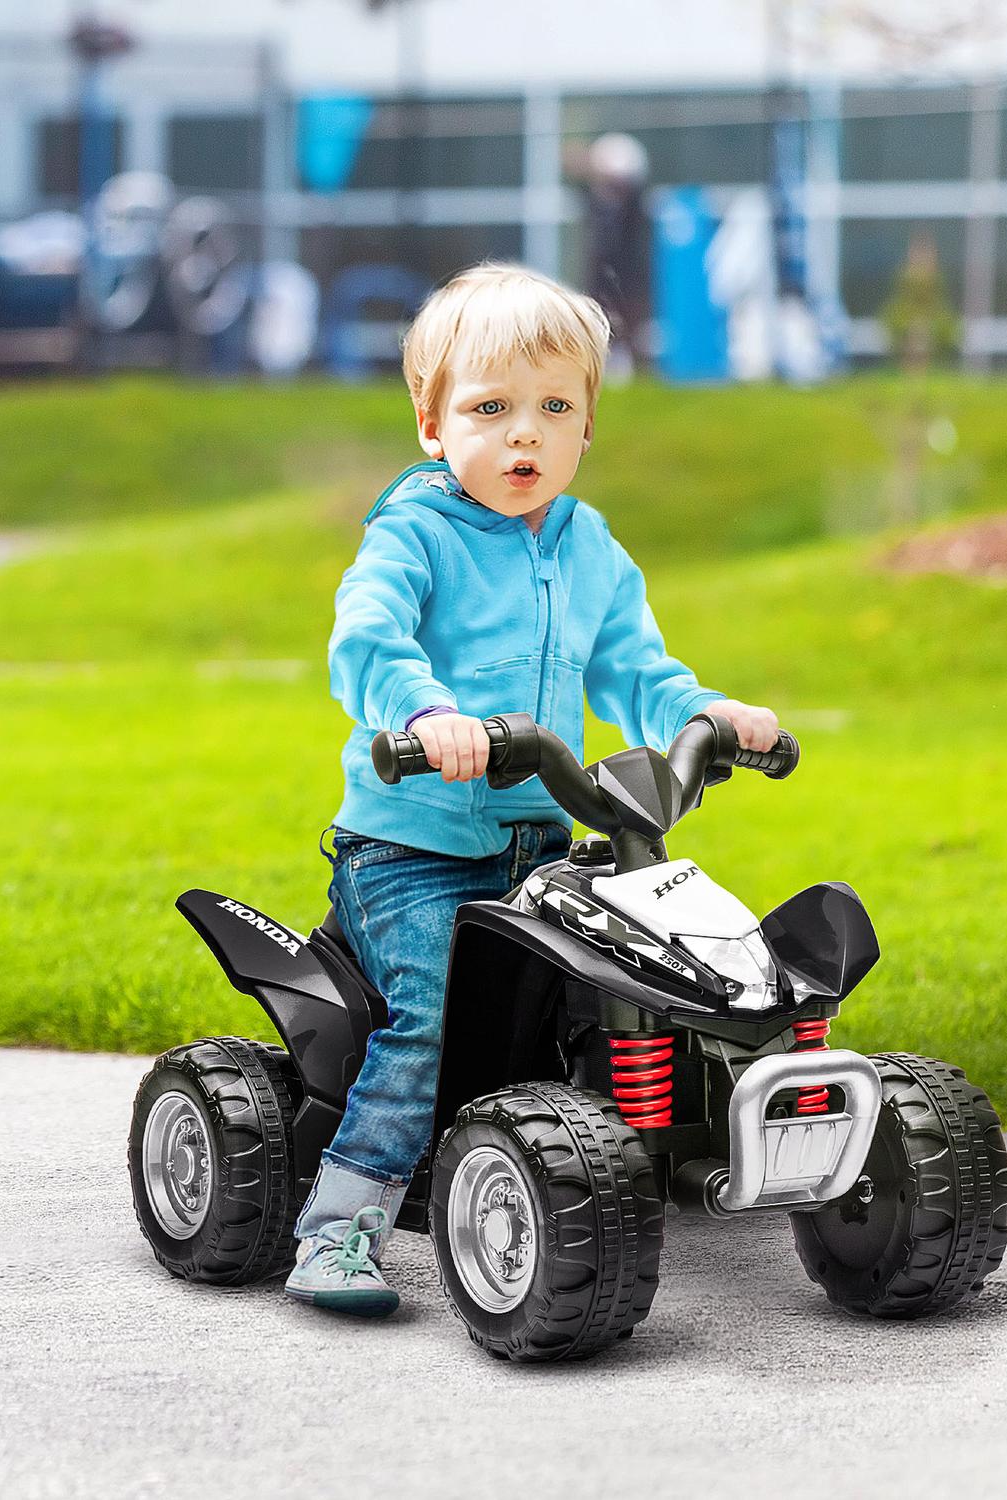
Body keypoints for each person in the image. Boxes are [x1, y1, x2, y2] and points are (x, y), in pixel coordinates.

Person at [286, 262, 781, 1317]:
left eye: (556, 409)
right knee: (431, 1018)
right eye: (491, 408)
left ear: (588, 426)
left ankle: (602, 1181)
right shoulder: (412, 534)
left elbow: (636, 671)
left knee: (625, 994)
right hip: (410, 852)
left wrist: (708, 718)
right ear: (432, 424)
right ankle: (340, 1225)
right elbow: (365, 642)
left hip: (536, 843)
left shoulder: (588, 545)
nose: (525, 437)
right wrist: (425, 717)